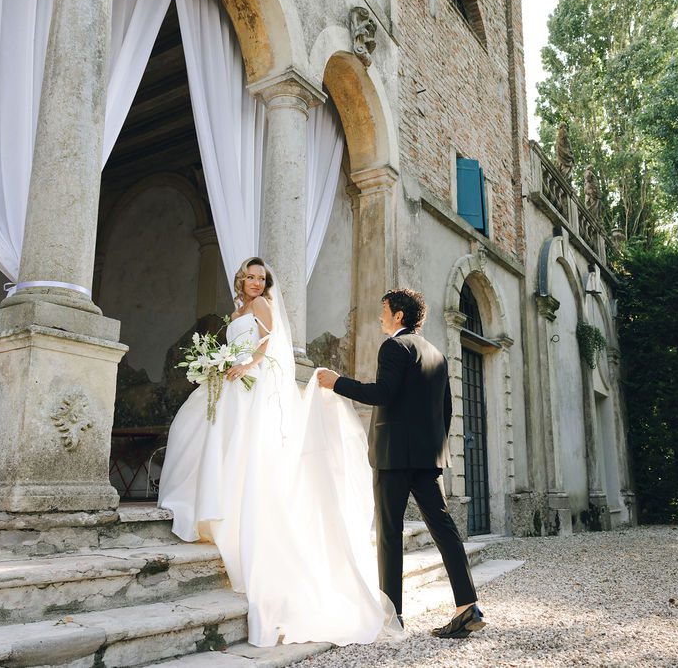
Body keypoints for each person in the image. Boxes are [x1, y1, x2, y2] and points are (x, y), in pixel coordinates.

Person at [158, 257, 401, 647]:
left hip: (250, 380)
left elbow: (270, 341)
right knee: (199, 430)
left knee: (235, 445)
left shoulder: (262, 305)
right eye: (250, 277)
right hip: (235, 377)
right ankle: (207, 504)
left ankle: (224, 509)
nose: (256, 282)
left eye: (261, 278)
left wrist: (245, 364)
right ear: (241, 279)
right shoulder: (236, 310)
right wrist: (221, 364)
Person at [316, 288, 485, 639]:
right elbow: (447, 410)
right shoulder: (436, 353)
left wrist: (337, 383)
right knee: (444, 528)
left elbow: (382, 394)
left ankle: (392, 619)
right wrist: (434, 449)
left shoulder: (394, 346)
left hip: (394, 455)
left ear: (398, 316)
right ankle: (467, 605)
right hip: (427, 456)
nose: (380, 316)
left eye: (384, 310)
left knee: (390, 535)